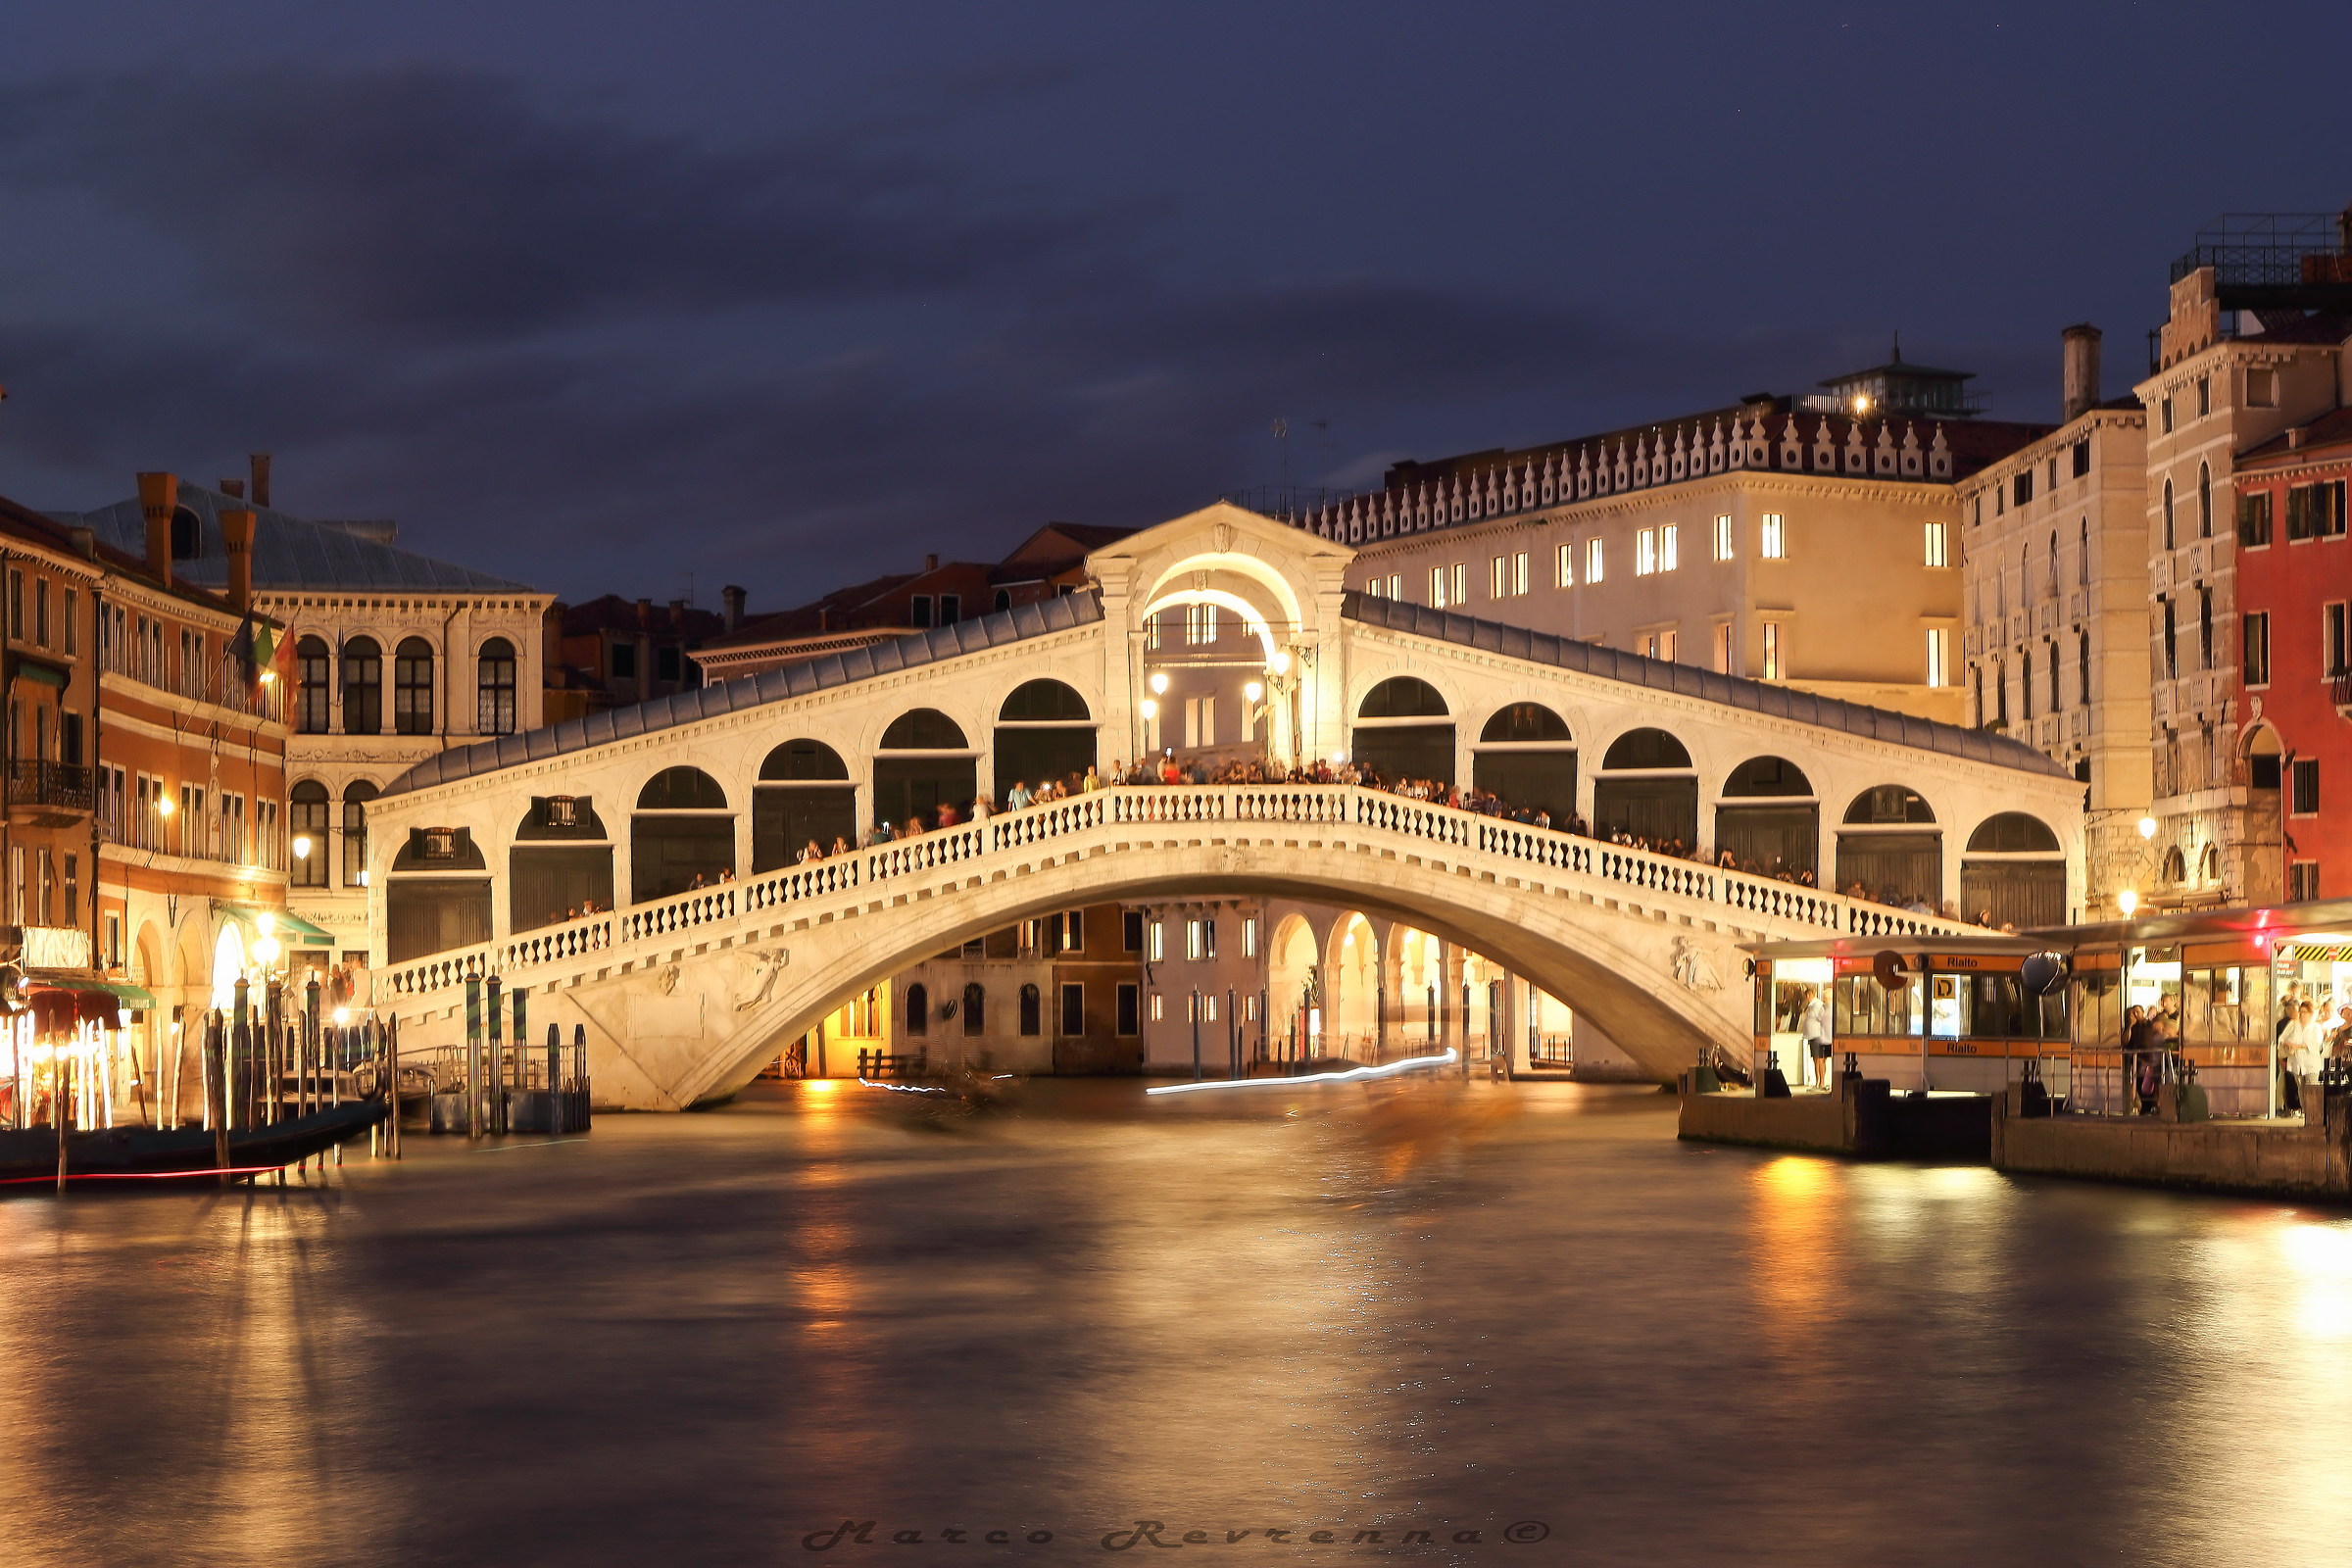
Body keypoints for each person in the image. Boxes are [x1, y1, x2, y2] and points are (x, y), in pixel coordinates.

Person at [2281, 1002, 2323, 1113]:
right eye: (2300, 1012)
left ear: (2310, 1013)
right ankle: (2305, 1111)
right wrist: (2288, 1045)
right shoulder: (2293, 1024)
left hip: (2311, 1062)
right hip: (2296, 1061)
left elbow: (2314, 1044)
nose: (2301, 1014)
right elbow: (2282, 1038)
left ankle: (2313, 1112)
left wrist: (2295, 1045)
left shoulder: (2316, 1027)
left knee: (2312, 1087)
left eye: (2304, 1012)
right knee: (2300, 1087)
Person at [1799, 984, 1833, 1091]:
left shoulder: (1818, 1005)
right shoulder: (1812, 1005)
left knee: (1819, 1060)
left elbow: (1819, 1018)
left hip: (1818, 1036)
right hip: (1813, 1036)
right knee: (1815, 1059)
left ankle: (1821, 1082)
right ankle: (1818, 1082)